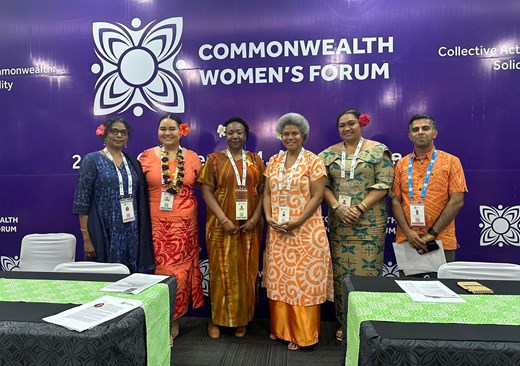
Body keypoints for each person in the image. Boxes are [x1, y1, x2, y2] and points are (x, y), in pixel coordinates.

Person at [319, 108, 394, 341]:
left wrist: (359, 208)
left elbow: (384, 184)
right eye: (342, 125)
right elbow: (323, 185)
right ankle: (344, 322)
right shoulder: (327, 154)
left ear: (361, 124)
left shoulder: (377, 150)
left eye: (351, 123)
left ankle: (366, 322)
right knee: (342, 274)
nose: (347, 128)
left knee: (368, 272)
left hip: (369, 222)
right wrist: (337, 207)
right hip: (340, 222)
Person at [262, 112, 333, 351]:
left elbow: (318, 195)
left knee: (303, 283)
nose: (290, 137)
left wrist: (298, 220)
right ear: (280, 136)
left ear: (303, 135)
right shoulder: (273, 161)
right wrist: (269, 217)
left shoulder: (313, 161)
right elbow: (267, 194)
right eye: (286, 133)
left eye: (295, 133)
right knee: (281, 281)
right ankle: (281, 329)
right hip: (278, 232)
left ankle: (303, 335)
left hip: (305, 232)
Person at [139, 114, 204, 343]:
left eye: (172, 128)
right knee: (160, 273)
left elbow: (203, 188)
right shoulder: (146, 156)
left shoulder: (193, 158)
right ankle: (159, 318)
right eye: (163, 128)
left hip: (185, 226)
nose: (167, 133)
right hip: (156, 226)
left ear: (182, 131)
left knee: (181, 274)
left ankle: (173, 320)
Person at [198, 117, 265, 339]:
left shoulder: (256, 160)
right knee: (220, 273)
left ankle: (241, 319)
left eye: (239, 132)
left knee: (246, 272)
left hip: (250, 227)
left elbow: (264, 191)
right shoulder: (214, 160)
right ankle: (216, 320)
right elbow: (206, 190)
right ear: (224, 135)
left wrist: (255, 218)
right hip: (220, 226)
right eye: (230, 132)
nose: (234, 136)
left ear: (246, 136)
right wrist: (223, 219)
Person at [73, 117, 155, 273]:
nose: (119, 135)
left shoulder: (132, 162)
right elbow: (82, 202)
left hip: (132, 229)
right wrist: (86, 238)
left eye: (123, 132)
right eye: (114, 131)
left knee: (131, 276)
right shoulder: (92, 160)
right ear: (105, 135)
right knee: (106, 275)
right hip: (104, 228)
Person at [391, 114, 467, 275]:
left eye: (425, 128)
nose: (420, 132)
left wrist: (431, 234)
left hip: (441, 240)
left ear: (434, 133)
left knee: (443, 294)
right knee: (409, 292)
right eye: (415, 130)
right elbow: (395, 201)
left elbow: (457, 201)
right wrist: (408, 233)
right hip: (408, 240)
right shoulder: (401, 165)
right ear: (410, 135)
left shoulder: (451, 161)